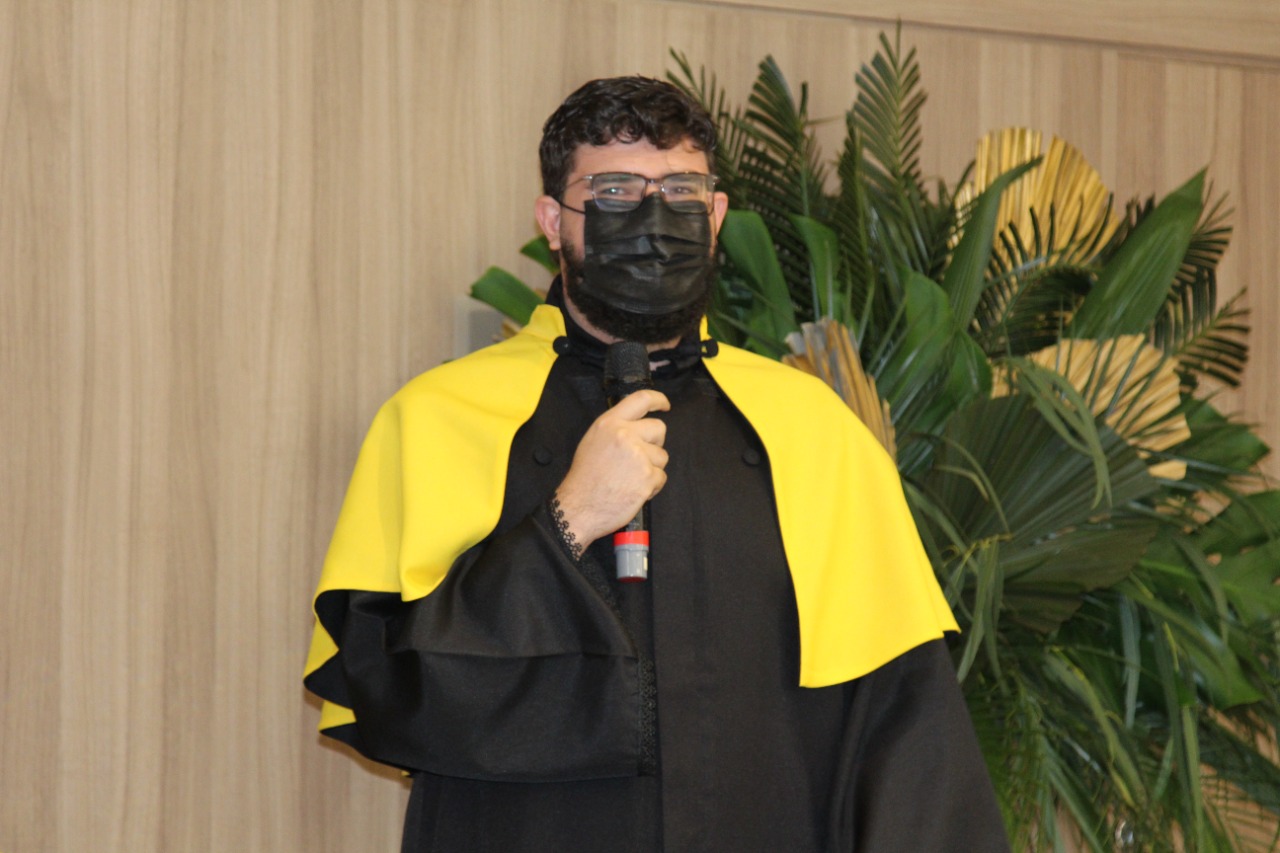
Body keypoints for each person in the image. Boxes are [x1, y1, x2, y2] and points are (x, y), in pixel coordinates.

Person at [304, 75, 1010, 852]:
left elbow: (910, 738)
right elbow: (393, 691)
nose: (652, 216)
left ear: (715, 216)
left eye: (680, 190)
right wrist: (567, 520)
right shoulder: (438, 420)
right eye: (614, 190)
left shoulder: (815, 432)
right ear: (553, 221)